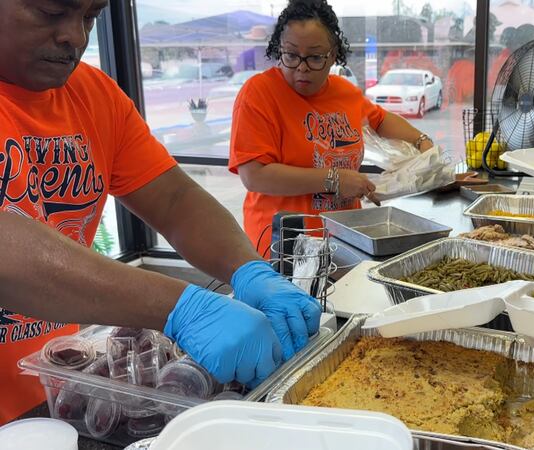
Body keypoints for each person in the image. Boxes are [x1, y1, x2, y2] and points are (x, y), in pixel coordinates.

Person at [0, 0, 321, 423]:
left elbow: (174, 200)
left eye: (90, 16)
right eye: (50, 10)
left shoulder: (93, 95)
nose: (75, 37)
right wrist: (180, 307)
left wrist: (249, 271)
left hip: (56, 390)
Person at [229, 0, 435, 256]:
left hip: (347, 240)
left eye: (315, 57)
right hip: (286, 248)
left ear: (334, 54)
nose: (302, 68)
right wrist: (333, 180)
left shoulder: (344, 91)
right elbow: (254, 176)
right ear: (278, 49)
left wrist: (423, 143)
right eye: (291, 55)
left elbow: (380, 120)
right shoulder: (258, 94)